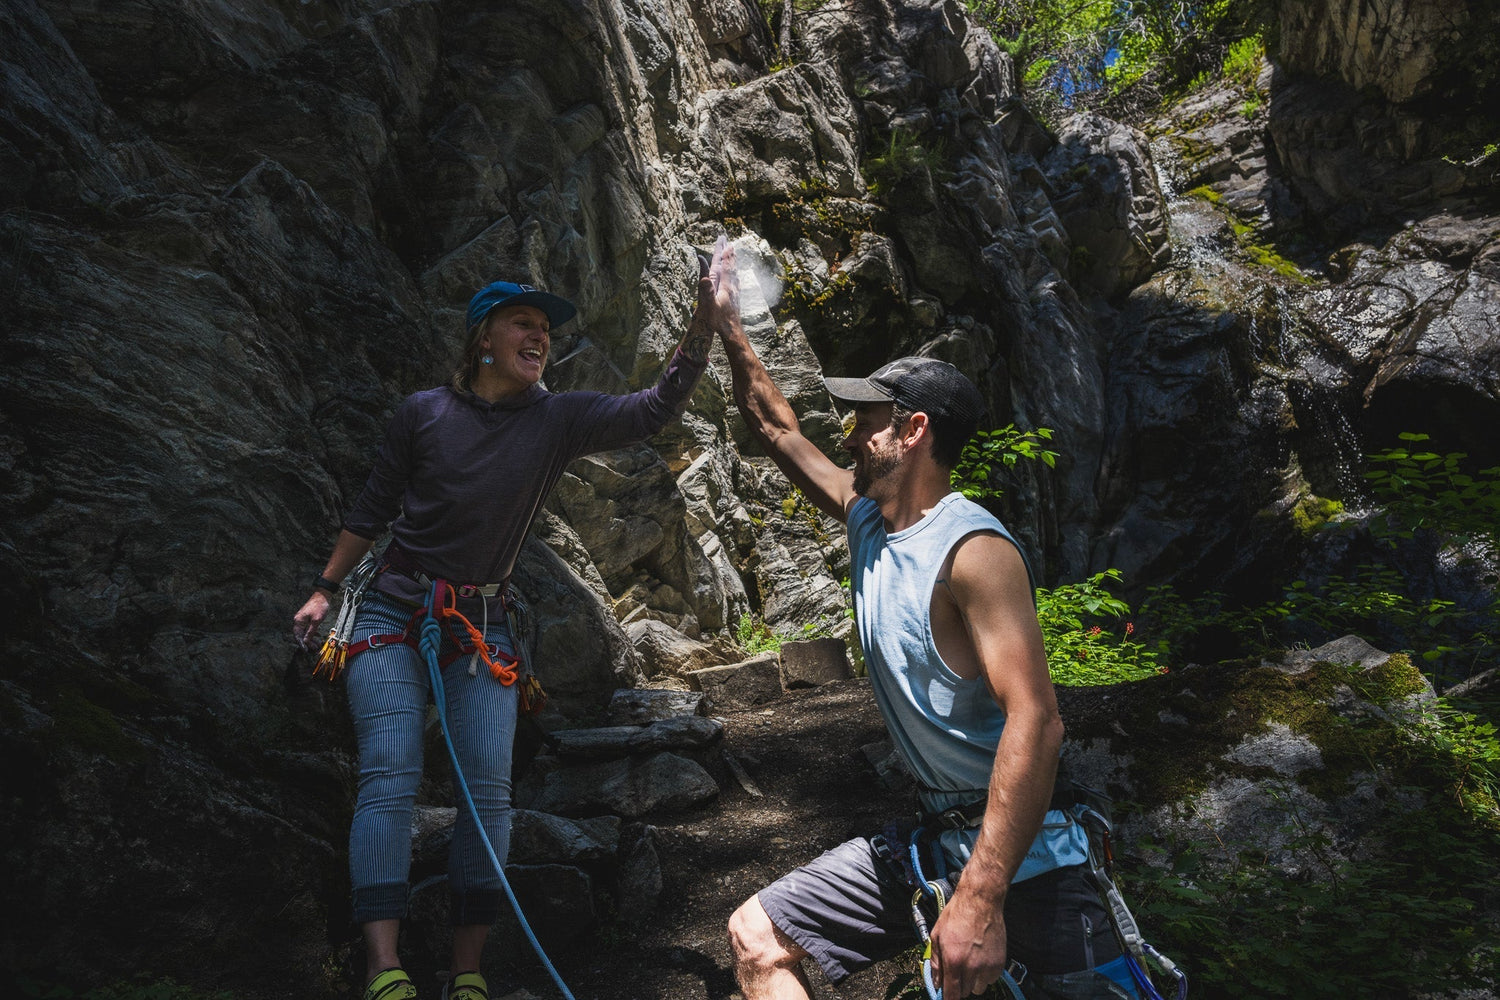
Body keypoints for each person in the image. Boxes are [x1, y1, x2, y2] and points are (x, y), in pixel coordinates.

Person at [291, 241, 739, 1000]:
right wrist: (323, 589)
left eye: (546, 330)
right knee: (389, 781)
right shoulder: (424, 413)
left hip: (483, 623)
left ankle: (467, 972)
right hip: (392, 611)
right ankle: (382, 968)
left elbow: (653, 409)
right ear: (483, 339)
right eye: (523, 324)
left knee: (488, 797)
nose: (540, 337)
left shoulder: (557, 419)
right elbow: (371, 509)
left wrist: (704, 322)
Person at [716, 310, 1138, 998]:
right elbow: (775, 428)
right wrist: (728, 324)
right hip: (933, 838)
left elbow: (1038, 721)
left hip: (1024, 851)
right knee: (757, 936)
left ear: (913, 431)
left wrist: (980, 897)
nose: (848, 435)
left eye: (866, 421)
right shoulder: (867, 519)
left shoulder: (974, 551)